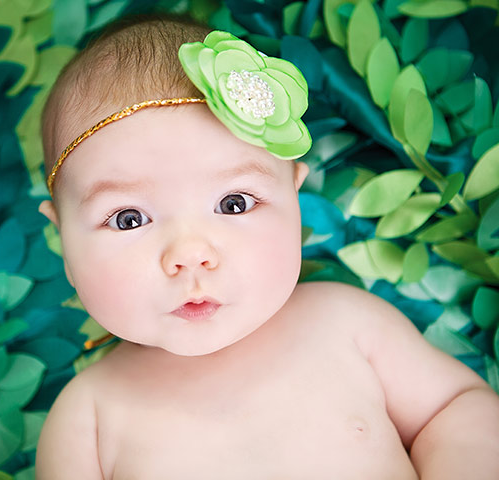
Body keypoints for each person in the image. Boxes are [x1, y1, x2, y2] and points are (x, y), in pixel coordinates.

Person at [34, 14, 499, 479]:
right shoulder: (86, 419)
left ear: (293, 197)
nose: (190, 254)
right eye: (128, 218)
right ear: (63, 240)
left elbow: (457, 409)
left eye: (234, 203)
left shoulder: (346, 322)